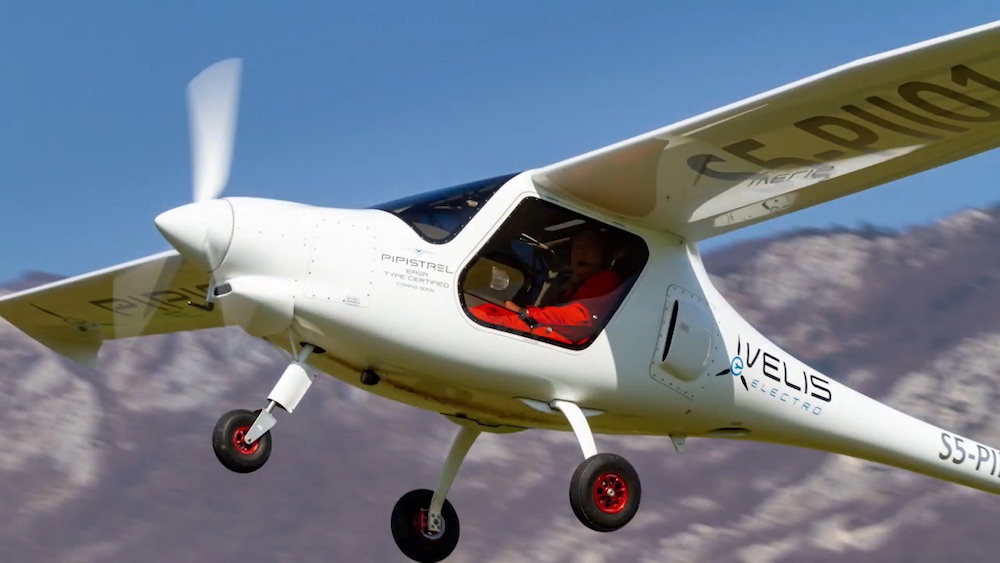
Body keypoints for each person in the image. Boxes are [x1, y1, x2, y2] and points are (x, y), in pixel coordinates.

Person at [469, 230, 622, 345]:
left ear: (603, 254)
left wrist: (524, 313)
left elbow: (579, 317)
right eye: (577, 247)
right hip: (557, 332)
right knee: (489, 310)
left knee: (483, 319)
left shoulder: (606, 280)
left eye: (589, 247)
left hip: (569, 341)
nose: (581, 252)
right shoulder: (572, 283)